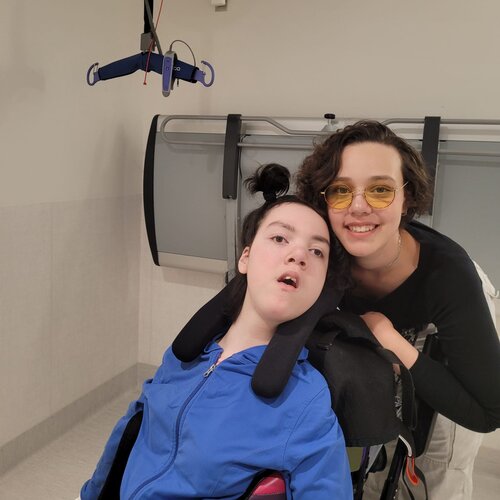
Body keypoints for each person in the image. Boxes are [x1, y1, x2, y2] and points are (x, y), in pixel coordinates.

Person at [80, 164, 353, 500]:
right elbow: (132, 430)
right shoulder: (185, 357)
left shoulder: (304, 398)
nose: (299, 255)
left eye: (317, 251)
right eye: (280, 238)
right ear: (245, 258)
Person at [296, 120, 500, 499]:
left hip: (439, 313)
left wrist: (394, 342)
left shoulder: (449, 276)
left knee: (437, 461)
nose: (358, 207)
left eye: (380, 190)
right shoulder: (323, 248)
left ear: (407, 199)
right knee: (382, 446)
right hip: (377, 326)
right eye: (341, 190)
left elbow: (488, 412)